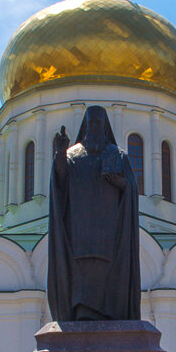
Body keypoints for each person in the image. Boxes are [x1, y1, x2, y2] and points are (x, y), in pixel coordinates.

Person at [46, 105, 141, 323]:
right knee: (80, 275)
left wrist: (121, 183)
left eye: (99, 123)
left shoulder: (117, 155)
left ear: (105, 127)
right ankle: (80, 314)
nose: (95, 128)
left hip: (111, 233)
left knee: (109, 275)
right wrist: (60, 153)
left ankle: (112, 313)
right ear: (86, 126)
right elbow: (60, 183)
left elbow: (131, 188)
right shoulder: (71, 155)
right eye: (92, 124)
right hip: (78, 232)